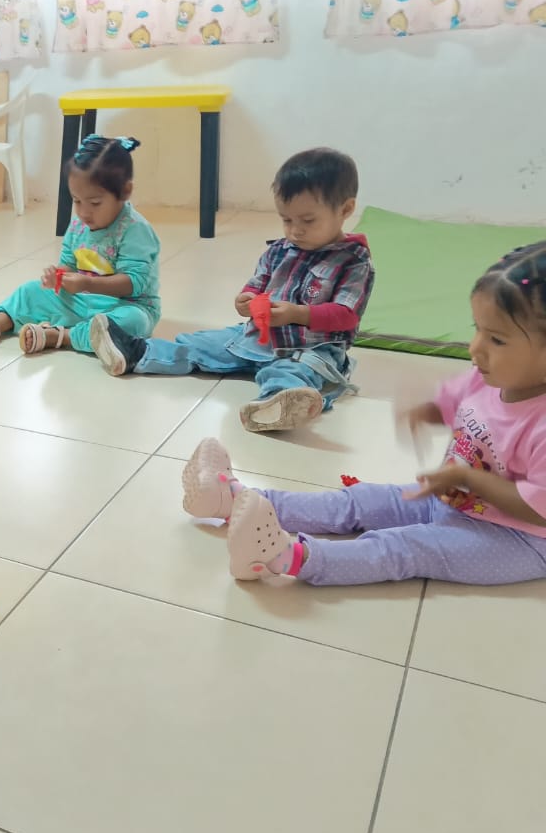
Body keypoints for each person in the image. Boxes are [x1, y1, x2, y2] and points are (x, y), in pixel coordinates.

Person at [182, 242, 546, 586]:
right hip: (452, 498)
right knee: (361, 500)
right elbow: (452, 403)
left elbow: (538, 509)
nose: (475, 348)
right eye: (477, 329)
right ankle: (232, 499)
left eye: (497, 339)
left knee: (407, 547)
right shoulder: (487, 377)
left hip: (516, 538)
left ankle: (283, 558)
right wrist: (428, 411)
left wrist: (470, 479)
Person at [90, 147, 373, 433]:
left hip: (311, 349)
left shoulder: (353, 260)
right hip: (256, 337)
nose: (295, 231)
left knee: (292, 372)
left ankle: (276, 404)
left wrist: (297, 314)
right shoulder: (280, 249)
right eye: (287, 220)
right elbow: (257, 284)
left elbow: (346, 315)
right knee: (201, 344)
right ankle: (137, 352)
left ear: (345, 210)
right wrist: (246, 300)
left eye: (308, 221)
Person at [0, 134, 160, 355]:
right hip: (82, 300)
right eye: (77, 201)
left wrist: (87, 283)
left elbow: (134, 282)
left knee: (132, 322)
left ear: (125, 191)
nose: (84, 212)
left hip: (125, 305)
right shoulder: (79, 225)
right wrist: (58, 277)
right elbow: (68, 264)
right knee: (29, 291)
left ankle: (60, 336)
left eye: (95, 203)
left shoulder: (135, 230)